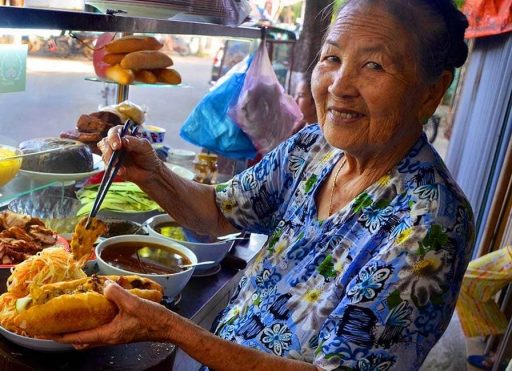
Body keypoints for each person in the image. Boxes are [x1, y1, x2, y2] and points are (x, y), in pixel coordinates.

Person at [55, 0, 474, 370]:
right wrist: (154, 174)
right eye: (331, 58)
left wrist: (170, 328)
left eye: (374, 65)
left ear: (430, 92)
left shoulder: (431, 223)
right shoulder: (314, 147)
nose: (339, 87)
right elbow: (221, 211)